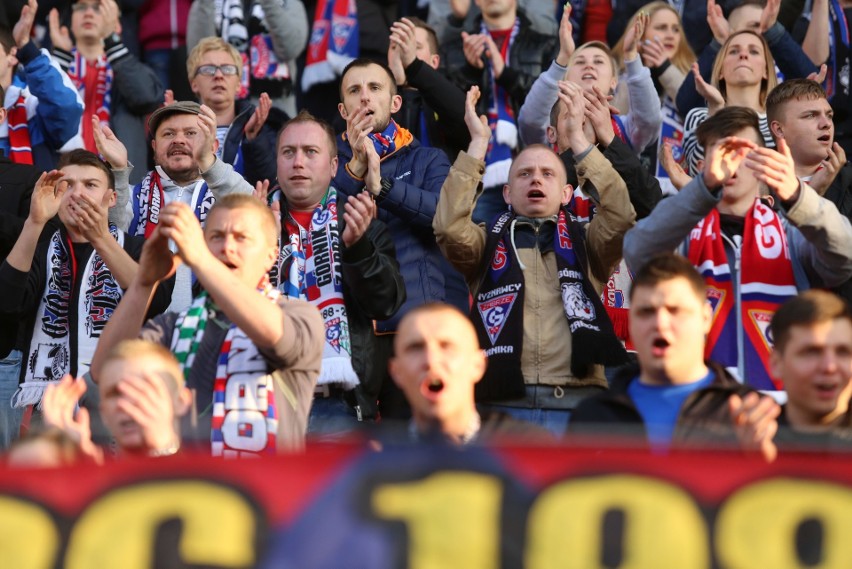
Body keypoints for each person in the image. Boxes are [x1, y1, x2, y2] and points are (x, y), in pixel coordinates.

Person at [434, 85, 635, 434]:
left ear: (567, 193)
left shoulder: (589, 242)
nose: (536, 180)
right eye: (525, 174)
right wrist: (478, 145)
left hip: (576, 405)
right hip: (501, 407)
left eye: (547, 174)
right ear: (508, 194)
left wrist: (580, 145)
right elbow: (449, 229)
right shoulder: (484, 242)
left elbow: (620, 217)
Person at [623, 107, 852, 398]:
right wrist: (702, 188)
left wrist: (798, 195)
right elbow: (636, 251)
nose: (732, 163)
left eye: (743, 152)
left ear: (763, 162)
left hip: (783, 410)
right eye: (721, 152)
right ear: (704, 163)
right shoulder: (681, 231)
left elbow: (845, 255)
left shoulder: (790, 231)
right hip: (697, 410)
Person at [89, 194, 324, 456]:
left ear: (271, 256)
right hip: (193, 492)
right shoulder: (173, 326)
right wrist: (144, 283)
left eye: (241, 237)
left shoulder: (300, 315)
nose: (227, 247)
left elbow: (273, 334)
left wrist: (201, 259)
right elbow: (106, 370)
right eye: (216, 237)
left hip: (268, 494)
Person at [333, 58, 467, 419]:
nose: (365, 98)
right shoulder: (327, 163)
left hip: (413, 328)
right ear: (343, 109)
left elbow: (443, 217)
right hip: (351, 336)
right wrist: (353, 171)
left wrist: (383, 187)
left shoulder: (427, 158)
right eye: (355, 90)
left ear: (395, 103)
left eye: (375, 88)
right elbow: (320, 225)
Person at [0, 149, 173, 416]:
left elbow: (155, 300)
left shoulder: (140, 247)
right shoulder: (37, 248)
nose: (77, 194)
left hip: (122, 399)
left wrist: (101, 239)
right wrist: (34, 223)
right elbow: (7, 306)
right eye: (66, 186)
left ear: (112, 198)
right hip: (46, 406)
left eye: (90, 185)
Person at [571, 253, 781, 461]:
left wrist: (761, 465)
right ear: (631, 322)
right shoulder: (592, 418)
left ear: (706, 317)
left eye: (675, 310)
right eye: (646, 312)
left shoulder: (755, 415)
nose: (660, 323)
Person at [271, 111, 405, 431]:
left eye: (310, 152)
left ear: (333, 167)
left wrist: (357, 249)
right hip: (265, 398)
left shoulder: (359, 221)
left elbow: (386, 302)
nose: (298, 162)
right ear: (277, 165)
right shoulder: (254, 223)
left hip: (338, 404)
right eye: (288, 152)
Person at [106, 100, 255, 311]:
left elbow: (253, 214)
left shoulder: (227, 188)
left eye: (190, 133)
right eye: (168, 134)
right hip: (142, 326)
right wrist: (119, 172)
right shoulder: (131, 194)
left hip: (210, 324)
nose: (178, 140)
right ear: (154, 148)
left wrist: (208, 163)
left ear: (213, 146)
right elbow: (112, 237)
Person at [441, 0, 559, 221]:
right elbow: (447, 114)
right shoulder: (454, 46)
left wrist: (505, 74)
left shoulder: (544, 43)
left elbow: (553, 103)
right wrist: (471, 71)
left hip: (533, 165)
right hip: (479, 170)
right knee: (479, 250)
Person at [388, 302, 552, 444]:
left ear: (477, 366)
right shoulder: (374, 456)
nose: (431, 360)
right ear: (396, 372)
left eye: (447, 346)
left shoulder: (529, 448)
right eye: (416, 347)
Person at [48, 0, 163, 185]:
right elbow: (36, 107)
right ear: (70, 21)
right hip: (62, 179)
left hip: (117, 181)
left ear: (116, 24)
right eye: (81, 7)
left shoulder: (126, 65)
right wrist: (60, 55)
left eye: (98, 8)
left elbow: (147, 97)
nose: (88, 13)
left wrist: (112, 43)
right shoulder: (55, 66)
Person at [41, 339, 192, 460]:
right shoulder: (94, 476)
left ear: (180, 401)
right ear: (104, 412)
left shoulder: (205, 480)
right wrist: (66, 457)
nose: (124, 404)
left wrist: (162, 448)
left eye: (142, 389)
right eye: (114, 393)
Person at [186, 37, 287, 186]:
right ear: (194, 84)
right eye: (208, 70)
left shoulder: (265, 127)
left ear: (239, 84)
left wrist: (254, 139)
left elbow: (269, 183)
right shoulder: (181, 129)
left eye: (227, 69)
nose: (219, 76)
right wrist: (169, 132)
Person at [680, 30, 779, 177]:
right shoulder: (699, 116)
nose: (743, 55)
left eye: (754, 51)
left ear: (766, 71)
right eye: (733, 51)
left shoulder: (777, 121)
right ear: (720, 71)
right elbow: (697, 173)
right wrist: (715, 111)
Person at [186, 0, 308, 117]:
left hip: (277, 119)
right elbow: (198, 57)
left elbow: (291, 48)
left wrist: (269, 3)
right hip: (220, 120)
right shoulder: (205, 3)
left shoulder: (289, 3)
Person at [0, 0, 83, 170]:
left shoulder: (32, 102)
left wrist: (27, 48)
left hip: (34, 194)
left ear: (12, 55)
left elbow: (66, 110)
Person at [769, 290, 852, 448]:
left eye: (843, 352)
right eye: (812, 352)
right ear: (776, 364)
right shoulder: (739, 446)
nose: (829, 367)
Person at [387, 17, 470, 162]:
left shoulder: (447, 96)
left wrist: (413, 66)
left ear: (434, 61)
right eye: (396, 46)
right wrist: (397, 87)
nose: (404, 52)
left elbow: (464, 118)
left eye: (414, 47)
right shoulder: (372, 98)